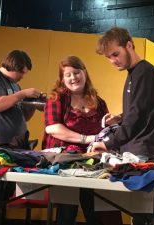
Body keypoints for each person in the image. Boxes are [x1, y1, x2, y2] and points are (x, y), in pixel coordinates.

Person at [91, 27, 154, 224]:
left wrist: (108, 143)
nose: (113, 61)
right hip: (141, 151)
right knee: (141, 214)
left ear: (129, 45)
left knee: (146, 215)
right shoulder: (134, 73)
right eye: (109, 57)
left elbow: (138, 116)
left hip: (147, 153)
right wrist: (119, 118)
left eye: (116, 54)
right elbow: (140, 111)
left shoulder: (143, 72)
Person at [42, 55, 122, 225]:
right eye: (68, 75)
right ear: (62, 79)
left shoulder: (99, 102)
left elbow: (106, 132)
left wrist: (111, 124)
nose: (73, 78)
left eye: (76, 72)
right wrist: (87, 138)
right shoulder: (56, 98)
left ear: (84, 73)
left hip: (94, 162)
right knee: (66, 212)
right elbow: (52, 128)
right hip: (65, 162)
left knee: (96, 210)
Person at [0, 49, 42, 225]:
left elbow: (21, 117)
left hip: (13, 146)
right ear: (15, 65)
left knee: (4, 193)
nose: (22, 77)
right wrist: (22, 94)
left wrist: (33, 104)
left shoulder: (15, 86)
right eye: (22, 72)